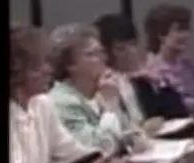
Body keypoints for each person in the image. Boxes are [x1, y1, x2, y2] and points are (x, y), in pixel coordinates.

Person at [9, 24, 133, 163]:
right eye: (37, 66)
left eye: (47, 62)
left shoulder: (42, 104)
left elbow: (70, 152)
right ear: (15, 71)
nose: (48, 70)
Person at [46, 23, 148, 154]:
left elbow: (135, 135)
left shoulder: (102, 90)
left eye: (101, 52)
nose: (103, 59)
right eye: (91, 54)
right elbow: (99, 150)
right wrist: (110, 106)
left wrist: (125, 98)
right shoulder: (63, 102)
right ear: (70, 65)